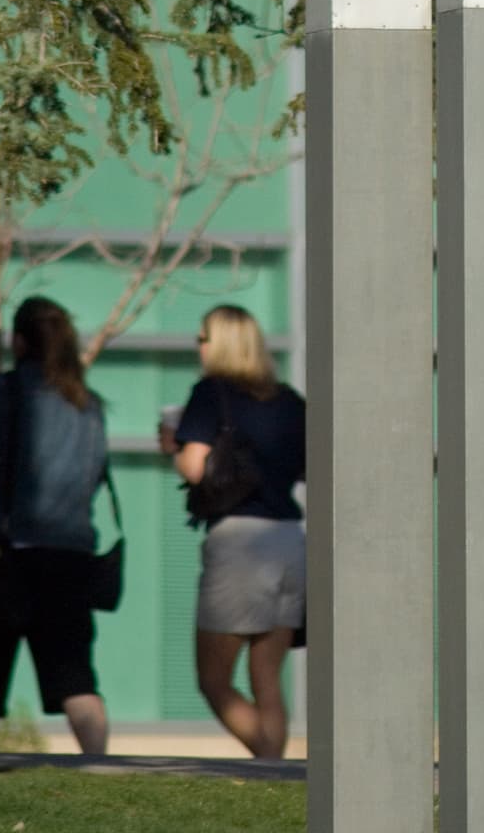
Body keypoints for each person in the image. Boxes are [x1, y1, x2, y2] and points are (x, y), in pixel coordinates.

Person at [0, 296, 111, 755]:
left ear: (18, 340)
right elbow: (94, 476)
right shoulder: (88, 404)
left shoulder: (2, 393)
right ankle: (102, 769)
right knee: (77, 680)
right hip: (69, 558)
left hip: (3, 559)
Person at [160, 304, 305, 760]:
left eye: (201, 338)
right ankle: (278, 776)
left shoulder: (210, 394)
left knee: (214, 679)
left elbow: (195, 467)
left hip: (240, 543)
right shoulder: (290, 402)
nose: (197, 347)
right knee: (267, 680)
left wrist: (172, 446)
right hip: (289, 538)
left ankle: (270, 762)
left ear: (218, 343)